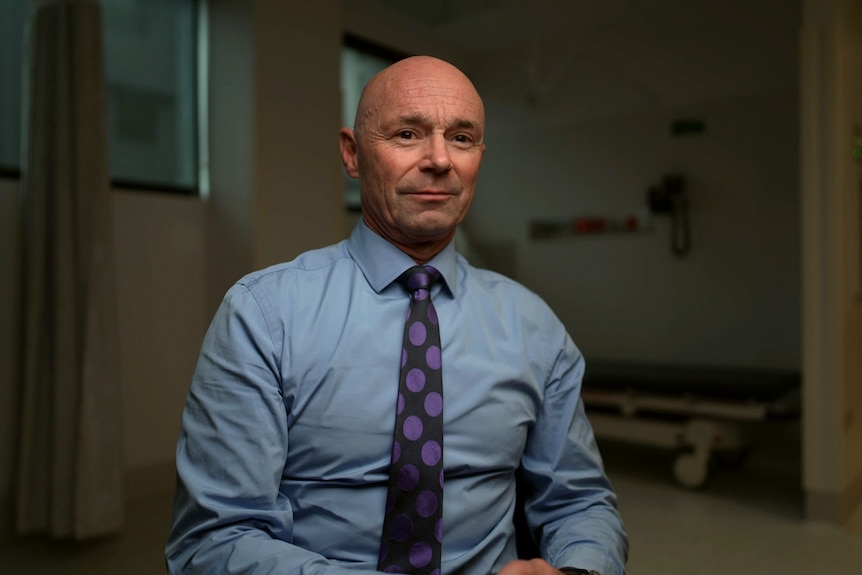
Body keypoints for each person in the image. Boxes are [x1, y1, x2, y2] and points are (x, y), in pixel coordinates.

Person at [166, 55, 628, 575]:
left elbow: (579, 501)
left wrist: (576, 572)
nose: (438, 159)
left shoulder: (534, 327)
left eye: (461, 137)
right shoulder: (263, 316)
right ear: (353, 154)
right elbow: (214, 539)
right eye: (408, 134)